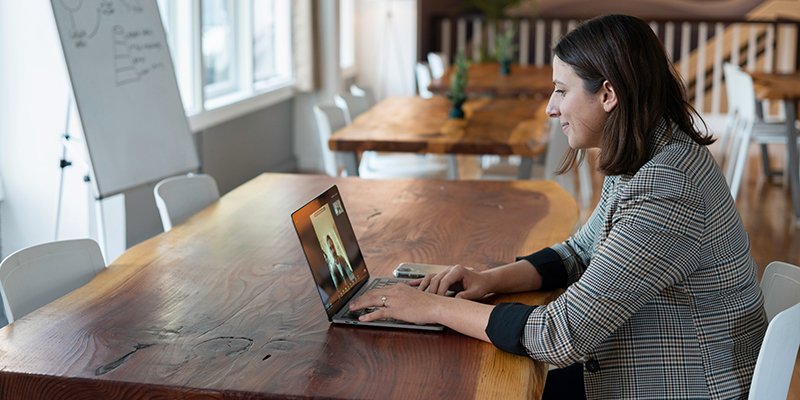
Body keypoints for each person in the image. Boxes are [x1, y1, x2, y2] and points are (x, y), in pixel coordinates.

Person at [349, 14, 767, 400]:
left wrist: (434, 308)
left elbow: (561, 334)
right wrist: (487, 279)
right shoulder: (649, 151)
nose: (551, 107)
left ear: (607, 95)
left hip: (689, 387)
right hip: (650, 366)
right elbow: (580, 251)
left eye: (562, 91)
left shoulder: (669, 185)